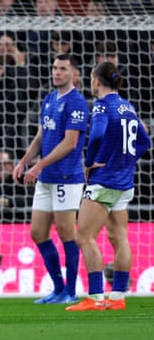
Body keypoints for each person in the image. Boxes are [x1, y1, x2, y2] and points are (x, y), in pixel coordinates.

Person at [66, 61, 150, 311]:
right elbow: (144, 141)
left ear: (97, 81)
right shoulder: (127, 106)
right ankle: (117, 297)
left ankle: (95, 296)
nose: (91, 82)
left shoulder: (102, 106)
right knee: (119, 236)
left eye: (91, 77)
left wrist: (92, 162)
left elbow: (99, 135)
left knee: (83, 236)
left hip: (104, 181)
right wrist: (126, 161)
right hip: (124, 181)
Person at [12, 53, 89, 304]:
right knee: (38, 232)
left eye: (63, 68)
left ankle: (71, 290)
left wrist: (38, 166)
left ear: (74, 73)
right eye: (55, 67)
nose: (57, 72)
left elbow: (70, 143)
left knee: (67, 233)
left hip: (67, 177)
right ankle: (57, 288)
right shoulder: (49, 98)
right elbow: (40, 136)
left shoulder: (77, 102)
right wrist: (24, 161)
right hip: (46, 177)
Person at [0, 150, 33, 223]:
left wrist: (4, 202)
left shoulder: (22, 179)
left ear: (12, 166)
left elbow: (30, 199)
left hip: (17, 222)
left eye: (3, 163)